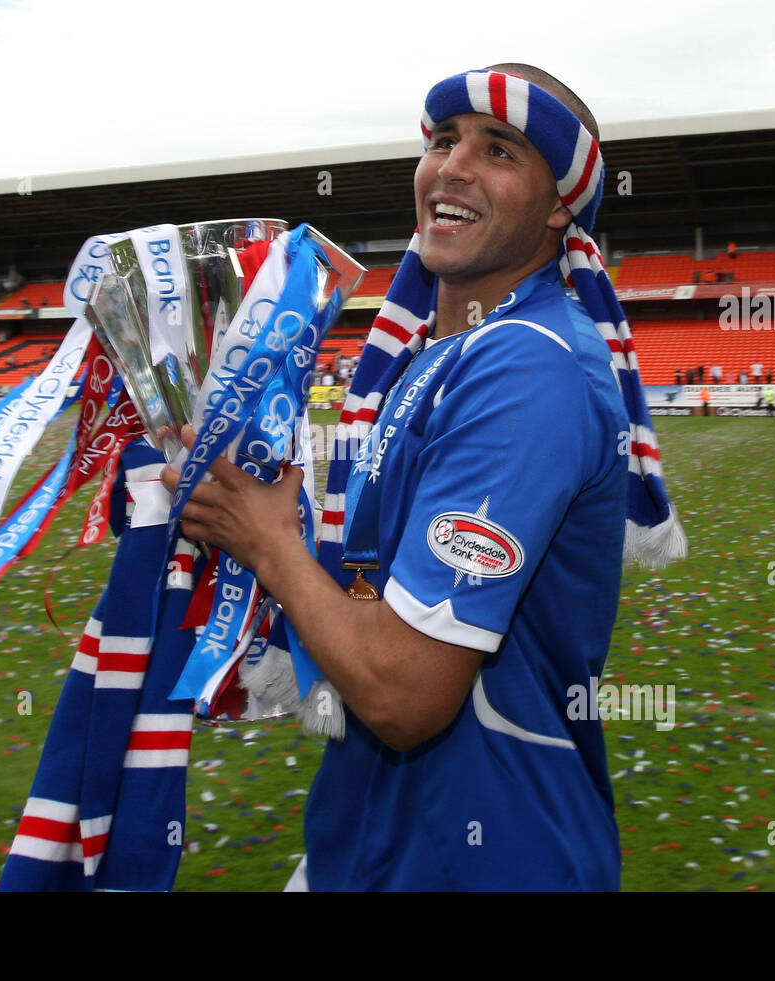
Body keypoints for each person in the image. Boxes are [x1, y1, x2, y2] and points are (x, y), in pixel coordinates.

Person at [161, 63, 682, 891]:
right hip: (377, 844)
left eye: (500, 149)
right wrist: (245, 487)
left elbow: (403, 693)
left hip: (487, 856)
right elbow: (368, 600)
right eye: (443, 141)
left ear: (558, 205)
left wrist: (268, 541)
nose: (454, 167)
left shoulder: (526, 368)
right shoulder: (430, 364)